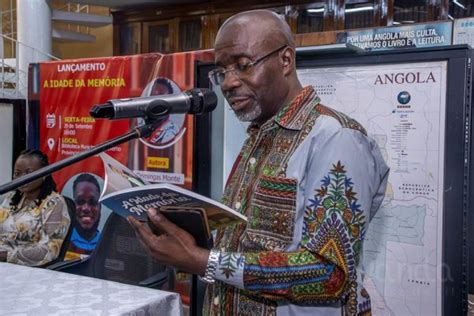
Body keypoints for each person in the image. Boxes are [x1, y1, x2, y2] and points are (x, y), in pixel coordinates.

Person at [128, 9, 389, 315]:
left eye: (242, 65)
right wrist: (187, 243)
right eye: (222, 71)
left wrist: (202, 260)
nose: (228, 83)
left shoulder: (337, 139)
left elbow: (329, 274)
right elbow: (246, 251)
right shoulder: (259, 135)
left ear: (286, 60)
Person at [0, 149, 70, 266]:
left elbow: (49, 250)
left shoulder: (54, 204)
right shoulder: (11, 198)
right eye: (17, 173)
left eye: (28, 173)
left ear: (44, 174)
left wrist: (7, 256)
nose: (22, 178)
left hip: (24, 270)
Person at [66, 173, 101, 259]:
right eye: (80, 201)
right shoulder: (60, 241)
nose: (86, 208)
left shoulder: (108, 245)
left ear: (100, 207)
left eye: (92, 202)